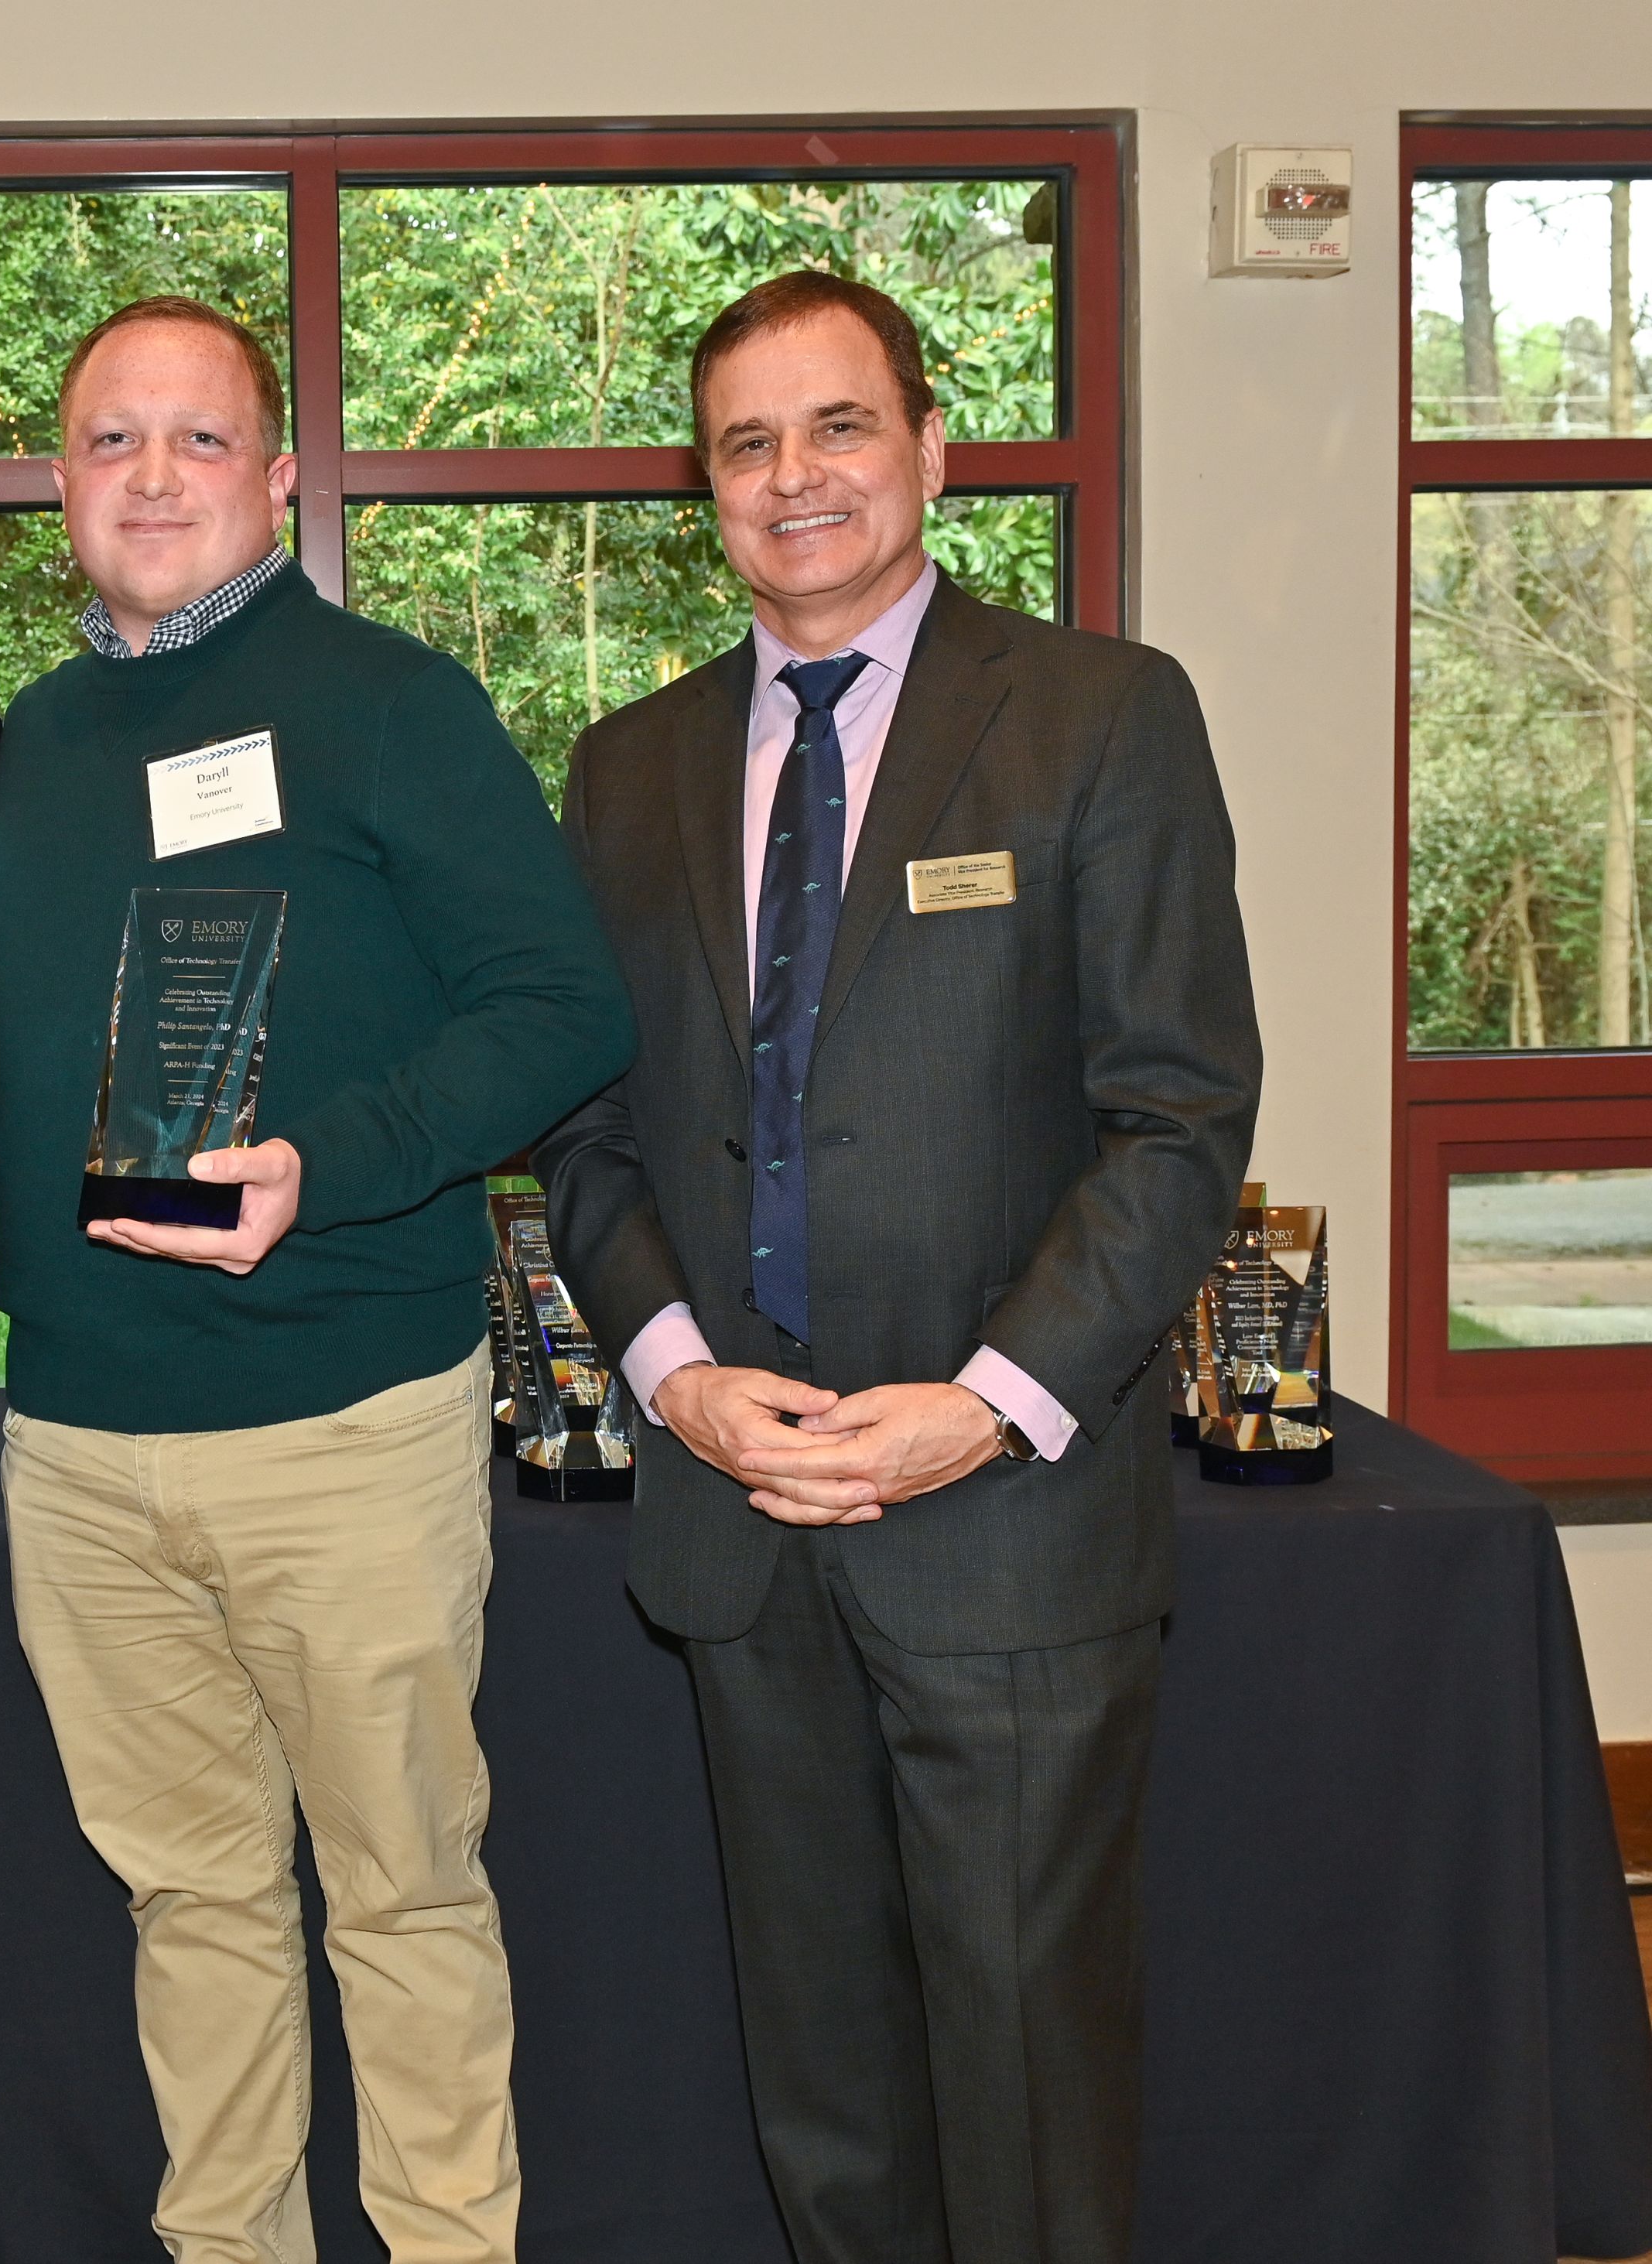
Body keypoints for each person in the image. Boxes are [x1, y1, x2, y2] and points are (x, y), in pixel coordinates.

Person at [536, 271, 1263, 2264]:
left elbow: (1177, 1117)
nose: (794, 478)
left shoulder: (1101, 717)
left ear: (928, 448)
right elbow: (588, 1132)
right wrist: (674, 1371)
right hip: (741, 1508)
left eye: (836, 427)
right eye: (746, 443)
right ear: (705, 490)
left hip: (1005, 1526)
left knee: (1026, 2087)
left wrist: (984, 1404)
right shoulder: (625, 767)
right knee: (822, 2087)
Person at [0, 296, 634, 2264]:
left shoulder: (388, 702)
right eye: (109, 441)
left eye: (196, 440)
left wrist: (324, 1167)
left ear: (275, 476)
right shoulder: (28, 738)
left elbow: (561, 1007)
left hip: (345, 1419)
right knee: (189, 1902)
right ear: (61, 484)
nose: (150, 477)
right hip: (80, 1438)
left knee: (403, 1893)